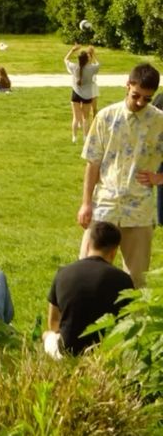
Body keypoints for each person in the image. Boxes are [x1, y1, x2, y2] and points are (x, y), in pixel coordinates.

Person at [77, 62, 163, 287]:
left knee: (135, 280)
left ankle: (133, 323)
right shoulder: (106, 117)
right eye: (136, 95)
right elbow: (93, 162)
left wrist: (159, 178)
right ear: (127, 85)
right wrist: (86, 204)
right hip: (105, 204)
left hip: (139, 211)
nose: (140, 102)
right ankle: (88, 320)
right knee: (87, 272)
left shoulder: (159, 122)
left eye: (147, 98)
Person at [44, 221, 134, 358]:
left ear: (87, 245)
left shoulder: (63, 273)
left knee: (47, 335)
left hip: (66, 352)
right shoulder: (124, 280)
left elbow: (53, 323)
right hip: (106, 353)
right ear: (114, 251)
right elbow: (127, 325)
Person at [65, 44, 100, 143]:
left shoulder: (75, 67)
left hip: (75, 94)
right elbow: (98, 64)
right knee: (86, 118)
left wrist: (72, 50)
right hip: (87, 95)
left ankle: (74, 137)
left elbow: (66, 59)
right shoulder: (91, 69)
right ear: (87, 59)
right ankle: (85, 137)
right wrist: (93, 54)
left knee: (76, 117)